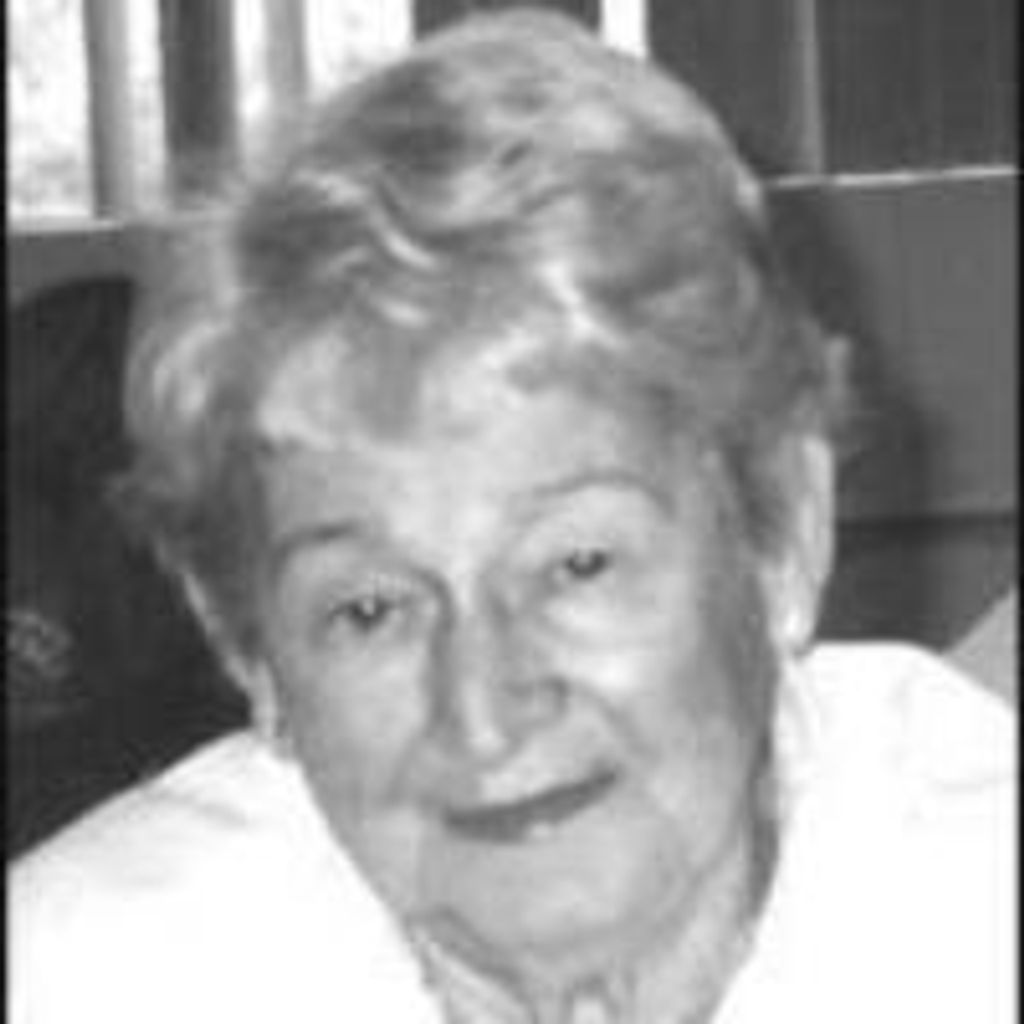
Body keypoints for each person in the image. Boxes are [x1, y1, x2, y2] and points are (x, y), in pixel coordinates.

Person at [9, 10, 1014, 1024]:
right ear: (251, 652)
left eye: (576, 564)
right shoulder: (92, 978)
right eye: (369, 610)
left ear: (783, 537)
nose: (484, 710)